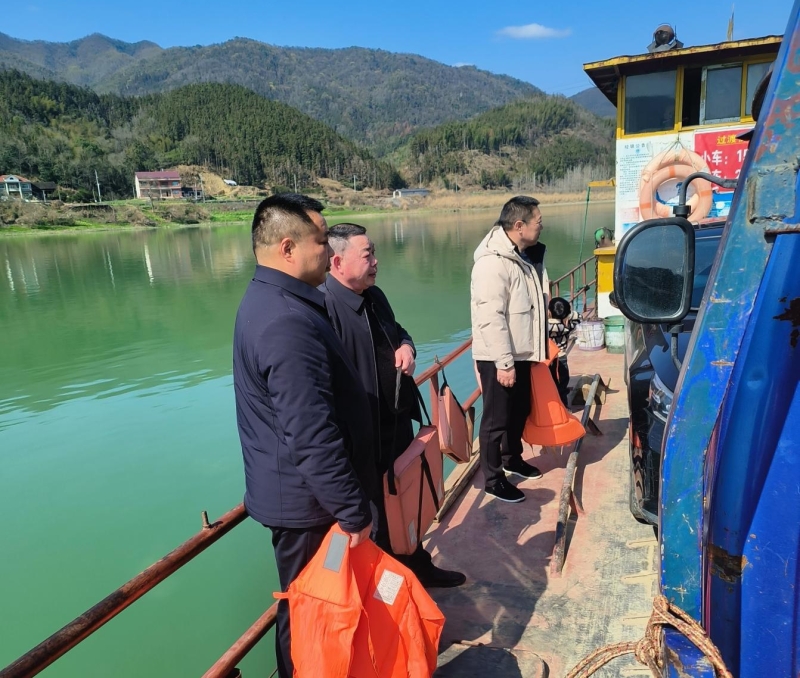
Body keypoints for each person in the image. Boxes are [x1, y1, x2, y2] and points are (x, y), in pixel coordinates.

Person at [232, 195, 376, 678]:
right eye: (321, 240)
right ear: (288, 247)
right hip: (311, 508)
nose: (328, 250)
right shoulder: (286, 320)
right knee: (310, 616)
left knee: (307, 609)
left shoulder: (272, 300)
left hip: (304, 498)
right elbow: (311, 434)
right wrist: (353, 511)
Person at [322, 222, 466, 588]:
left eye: (374, 253)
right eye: (367, 255)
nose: (376, 261)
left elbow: (399, 331)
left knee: (407, 505)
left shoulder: (375, 296)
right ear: (337, 262)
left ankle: (418, 568)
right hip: (361, 444)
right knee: (375, 526)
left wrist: (406, 347)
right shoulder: (324, 309)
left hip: (396, 427)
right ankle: (391, 598)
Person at [470, 196, 549, 503]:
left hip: (520, 352)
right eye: (538, 221)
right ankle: (493, 479)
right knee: (496, 420)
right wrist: (504, 363)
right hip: (498, 356)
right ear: (519, 226)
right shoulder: (492, 262)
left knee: (518, 411)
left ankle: (511, 458)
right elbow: (491, 317)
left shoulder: (521, 256)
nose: (541, 226)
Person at [547, 296, 581, 406]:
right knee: (562, 385)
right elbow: (579, 316)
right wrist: (567, 315)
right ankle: (564, 407)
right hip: (561, 358)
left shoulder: (546, 326)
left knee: (550, 385)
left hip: (548, 359)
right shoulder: (568, 325)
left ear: (549, 312)